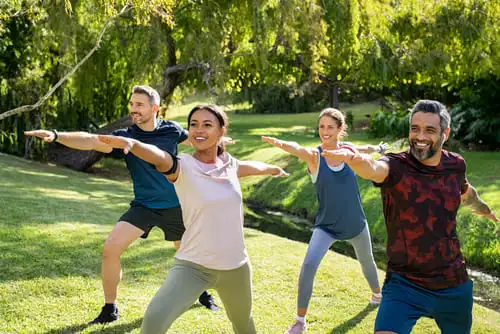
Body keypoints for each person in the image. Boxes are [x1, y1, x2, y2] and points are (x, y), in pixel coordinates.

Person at [24, 85, 220, 325]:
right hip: (143, 206)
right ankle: (110, 309)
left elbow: (194, 140)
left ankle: (203, 294)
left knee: (188, 254)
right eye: (131, 104)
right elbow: (92, 140)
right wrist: (56, 135)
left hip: (176, 206)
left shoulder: (171, 130)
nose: (133, 109)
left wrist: (216, 142)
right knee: (111, 248)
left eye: (139, 104)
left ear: (154, 108)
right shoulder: (125, 136)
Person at [98, 104, 288, 333]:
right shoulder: (183, 165)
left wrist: (272, 169)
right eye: (194, 125)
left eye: (207, 125)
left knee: (243, 324)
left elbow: (251, 167)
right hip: (193, 266)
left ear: (221, 132)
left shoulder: (230, 164)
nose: (199, 130)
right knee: (154, 322)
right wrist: (134, 144)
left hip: (235, 267)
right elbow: (159, 157)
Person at [321, 100, 498, 334]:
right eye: (415, 129)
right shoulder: (397, 166)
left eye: (429, 130)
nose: (420, 136)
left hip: (453, 285)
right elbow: (374, 169)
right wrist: (355, 160)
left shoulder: (455, 165)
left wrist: (483, 208)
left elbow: (467, 192)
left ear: (445, 133)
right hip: (404, 284)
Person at [262, 108, 384, 334]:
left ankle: (377, 293)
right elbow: (297, 149)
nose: (325, 131)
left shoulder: (348, 151)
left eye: (330, 127)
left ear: (340, 129)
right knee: (308, 265)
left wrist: (378, 149)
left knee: (367, 262)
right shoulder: (315, 157)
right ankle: (300, 321)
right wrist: (280, 143)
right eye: (321, 127)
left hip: (356, 223)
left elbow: (363, 149)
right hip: (326, 227)